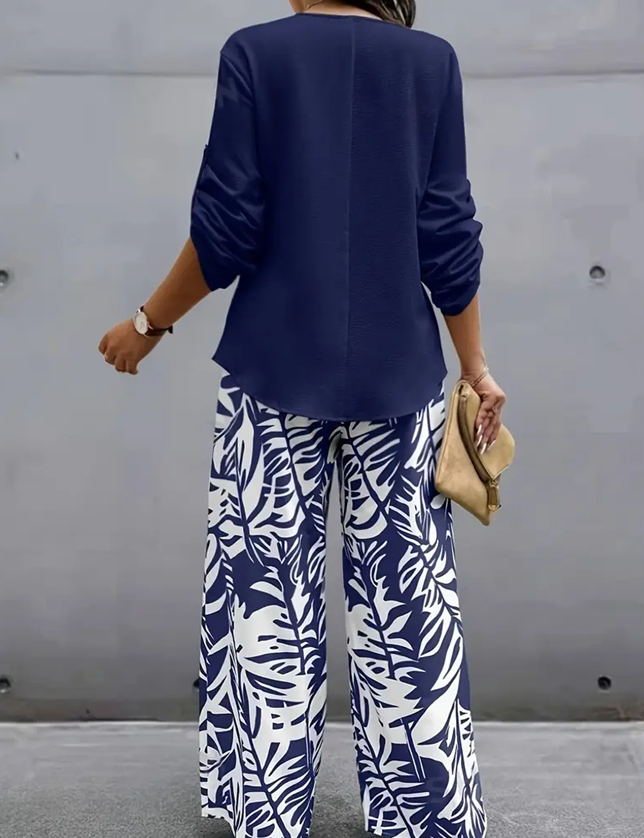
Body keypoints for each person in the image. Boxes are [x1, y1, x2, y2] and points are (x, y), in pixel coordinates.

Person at [99, 1, 505, 836]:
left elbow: (226, 228)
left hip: (273, 369)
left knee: (265, 601)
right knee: (409, 606)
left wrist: (147, 323)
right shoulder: (429, 62)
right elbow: (446, 232)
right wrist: (474, 366)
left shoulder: (256, 53)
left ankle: (266, 806)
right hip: (401, 375)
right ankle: (425, 812)